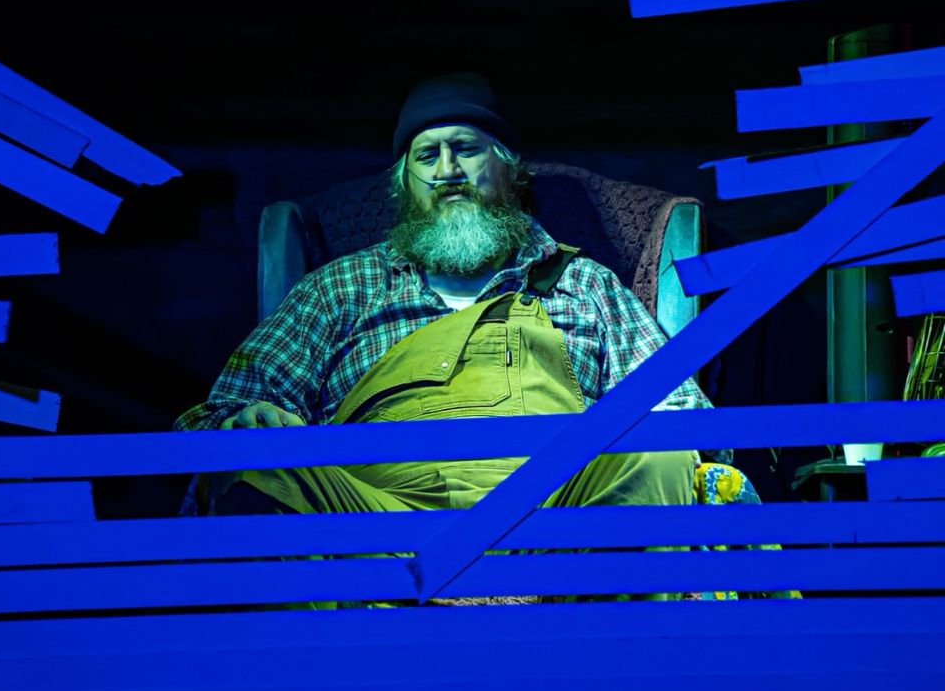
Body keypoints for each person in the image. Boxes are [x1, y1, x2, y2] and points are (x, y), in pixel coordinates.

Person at [175, 72, 711, 528]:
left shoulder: (585, 285)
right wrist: (249, 419)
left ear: (510, 169)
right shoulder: (341, 289)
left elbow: (681, 411)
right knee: (248, 465)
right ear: (404, 184)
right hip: (371, 525)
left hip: (556, 519)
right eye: (428, 155)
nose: (448, 171)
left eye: (467, 149)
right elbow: (219, 414)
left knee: (659, 454)